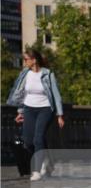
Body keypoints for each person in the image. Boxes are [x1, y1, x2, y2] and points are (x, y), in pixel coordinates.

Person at [7, 48, 64, 181]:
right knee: (27, 141)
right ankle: (45, 160)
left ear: (34, 60)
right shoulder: (24, 74)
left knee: (38, 138)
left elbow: (56, 95)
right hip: (29, 109)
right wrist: (20, 112)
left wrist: (60, 114)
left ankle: (37, 171)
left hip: (45, 109)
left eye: (26, 59)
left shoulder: (48, 74)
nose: (24, 61)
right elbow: (20, 93)